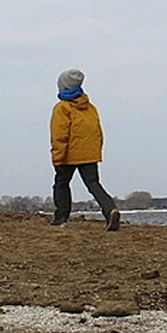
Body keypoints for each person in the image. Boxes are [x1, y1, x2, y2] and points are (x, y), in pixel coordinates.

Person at [49, 69, 121, 230]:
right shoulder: (90, 108)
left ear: (63, 87)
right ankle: (110, 210)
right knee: (94, 184)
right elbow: (98, 132)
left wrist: (57, 156)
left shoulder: (62, 108)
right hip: (90, 154)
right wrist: (96, 151)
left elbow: (59, 135)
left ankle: (61, 218)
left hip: (68, 154)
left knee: (61, 183)